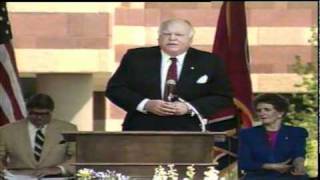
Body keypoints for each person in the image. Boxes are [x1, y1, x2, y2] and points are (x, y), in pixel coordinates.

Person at [105, 18, 233, 131]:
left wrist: (189, 107)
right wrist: (146, 104)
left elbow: (223, 96)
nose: (172, 38)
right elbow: (115, 89)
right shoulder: (136, 58)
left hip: (189, 131)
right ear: (159, 38)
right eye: (167, 34)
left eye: (179, 34)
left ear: (190, 39)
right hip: (142, 130)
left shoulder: (209, 61)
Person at [0, 93, 78, 178]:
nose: (39, 117)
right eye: (35, 114)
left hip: (55, 176)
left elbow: (77, 156)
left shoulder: (68, 129)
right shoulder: (7, 130)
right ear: (27, 111)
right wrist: (4, 174)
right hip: (18, 176)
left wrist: (59, 169)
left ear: (51, 112)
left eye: (44, 114)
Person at [238, 94, 309, 179]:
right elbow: (244, 163)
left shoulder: (297, 132)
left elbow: (299, 154)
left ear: (280, 113)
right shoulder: (247, 134)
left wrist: (299, 166)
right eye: (259, 110)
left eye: (267, 110)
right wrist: (271, 166)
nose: (262, 113)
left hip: (288, 177)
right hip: (258, 177)